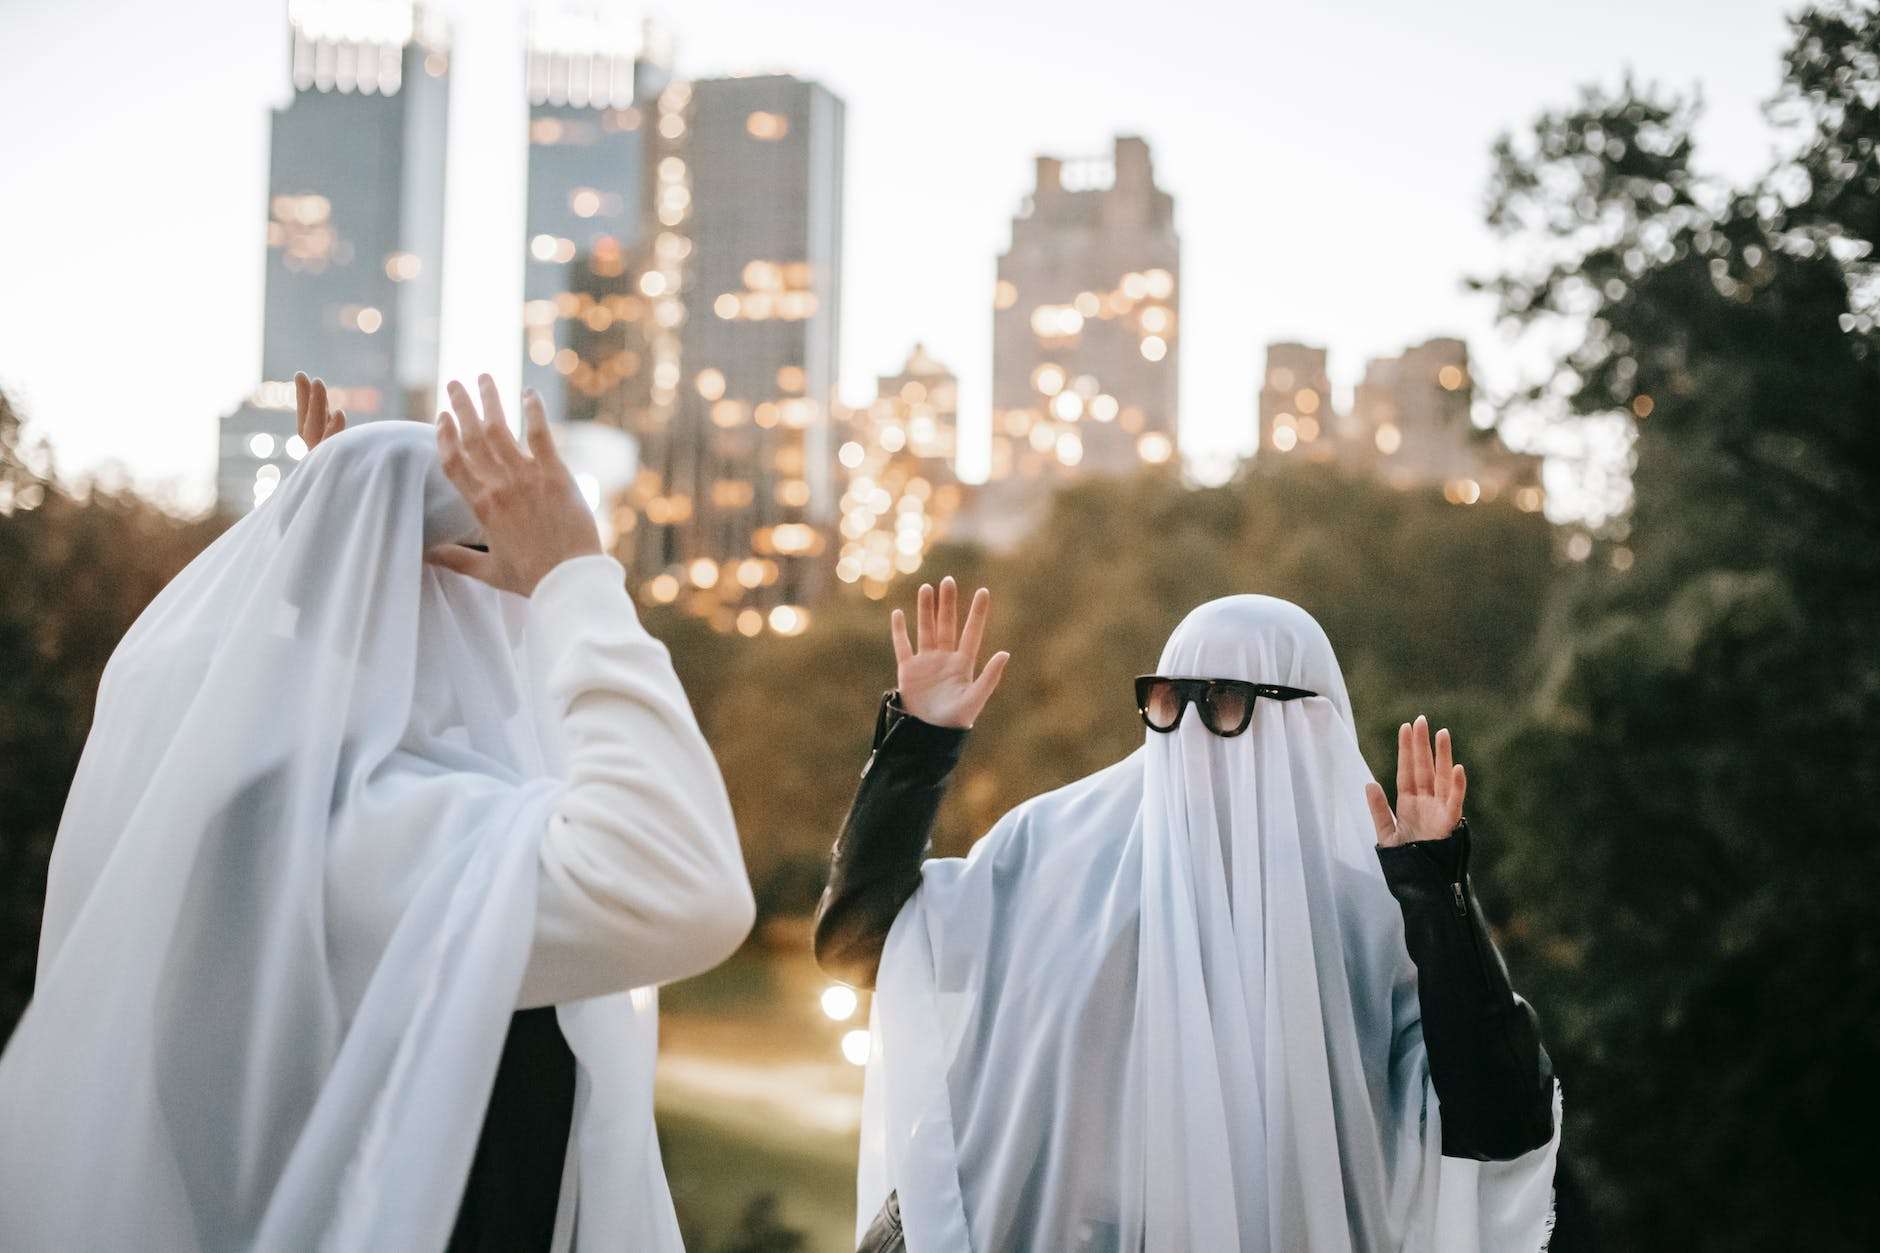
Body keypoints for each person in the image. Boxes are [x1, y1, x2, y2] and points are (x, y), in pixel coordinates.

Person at [0, 374, 755, 1251]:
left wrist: (350, 541)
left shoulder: (251, 811)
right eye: (476, 574)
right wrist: (572, 581)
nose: (505, 621)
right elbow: (690, 884)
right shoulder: (366, 839)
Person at [816, 580, 1562, 1252]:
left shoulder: (1372, 914)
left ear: (1307, 724)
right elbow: (861, 942)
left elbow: (1502, 1121)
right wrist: (920, 744)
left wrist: (1439, 898)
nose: (1194, 730)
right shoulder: (1050, 851)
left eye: (1226, 699)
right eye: (1170, 698)